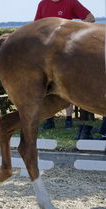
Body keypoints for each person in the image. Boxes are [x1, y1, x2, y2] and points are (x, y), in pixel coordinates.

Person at [34, 0, 95, 130]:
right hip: (47, 52)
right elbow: (36, 26)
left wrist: (76, 30)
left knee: (68, 86)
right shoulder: (42, 4)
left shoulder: (71, 2)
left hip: (66, 53)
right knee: (45, 85)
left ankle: (68, 120)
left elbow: (90, 18)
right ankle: (48, 120)